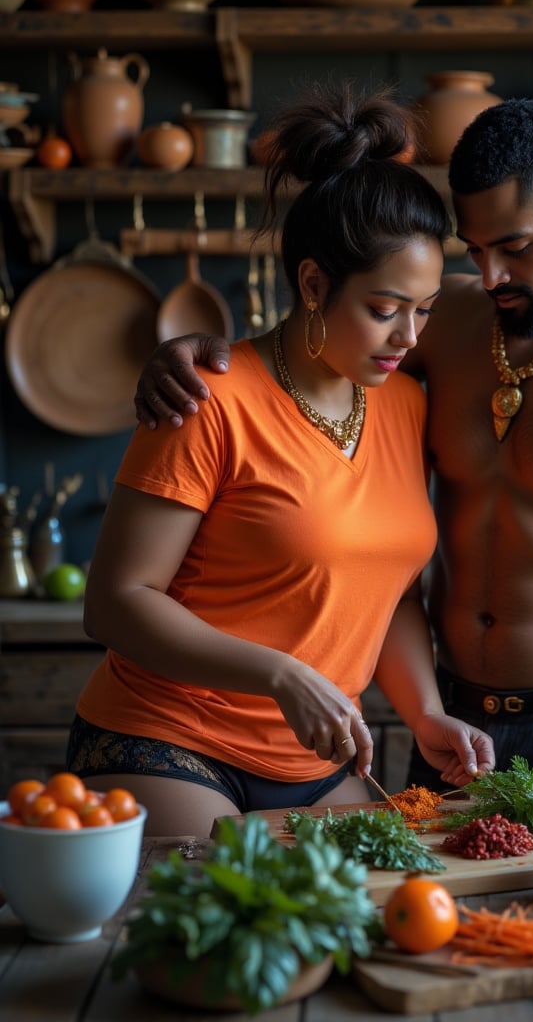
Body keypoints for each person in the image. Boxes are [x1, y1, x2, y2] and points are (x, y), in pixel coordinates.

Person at [134, 97, 533, 823]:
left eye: (516, 245)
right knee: (427, 936)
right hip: (455, 726)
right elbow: (311, 347)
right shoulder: (448, 324)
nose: (493, 273)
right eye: (474, 250)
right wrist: (189, 358)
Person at [68, 83, 495, 837]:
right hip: (169, 737)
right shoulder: (209, 400)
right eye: (385, 308)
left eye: (424, 311)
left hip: (317, 761)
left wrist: (424, 712)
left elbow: (389, 590)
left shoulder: (405, 404)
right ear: (313, 284)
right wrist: (280, 673)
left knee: (373, 919)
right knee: (234, 913)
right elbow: (115, 601)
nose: (409, 337)